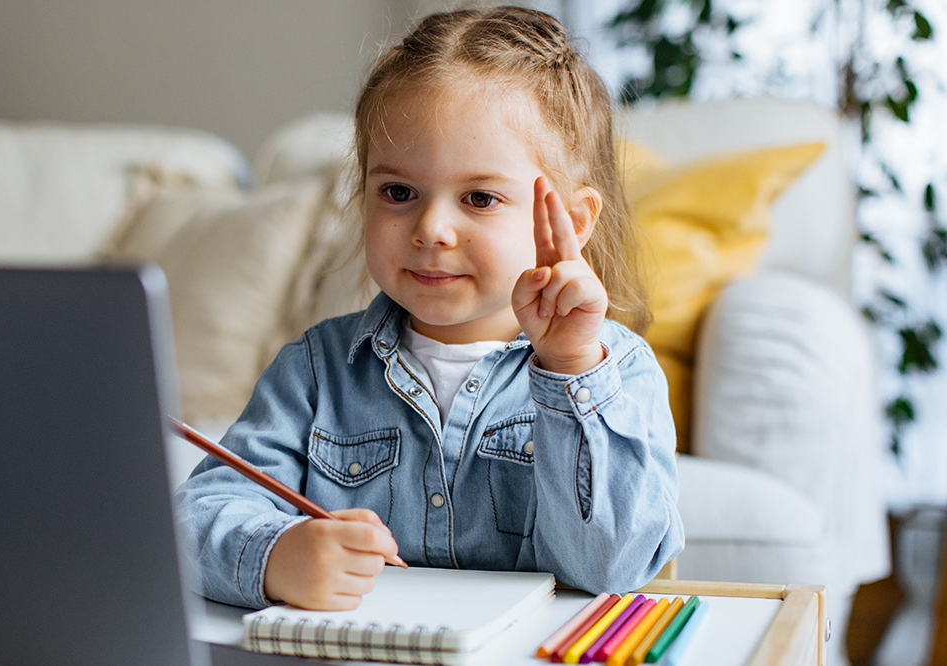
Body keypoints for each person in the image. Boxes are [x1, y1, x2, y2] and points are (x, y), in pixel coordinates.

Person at [174, 6, 683, 611]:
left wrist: (570, 366)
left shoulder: (616, 373)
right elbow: (193, 521)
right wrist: (274, 554)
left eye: (479, 197)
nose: (432, 228)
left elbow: (612, 568)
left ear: (570, 222)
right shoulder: (315, 371)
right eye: (398, 192)